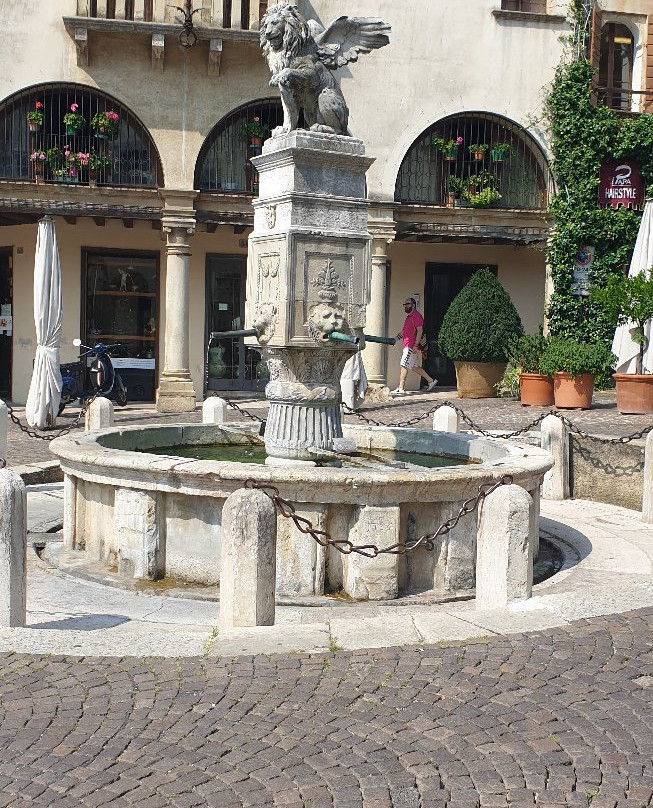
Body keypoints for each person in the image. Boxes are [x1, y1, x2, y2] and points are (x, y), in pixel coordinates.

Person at [391, 298, 438, 395]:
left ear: (413, 305)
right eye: (404, 304)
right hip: (408, 345)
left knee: (404, 364)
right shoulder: (409, 317)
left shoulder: (416, 316)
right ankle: (430, 380)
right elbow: (404, 332)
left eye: (407, 304)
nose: (405, 306)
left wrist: (416, 345)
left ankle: (401, 388)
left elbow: (420, 331)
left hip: (411, 346)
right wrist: (395, 339)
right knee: (413, 366)